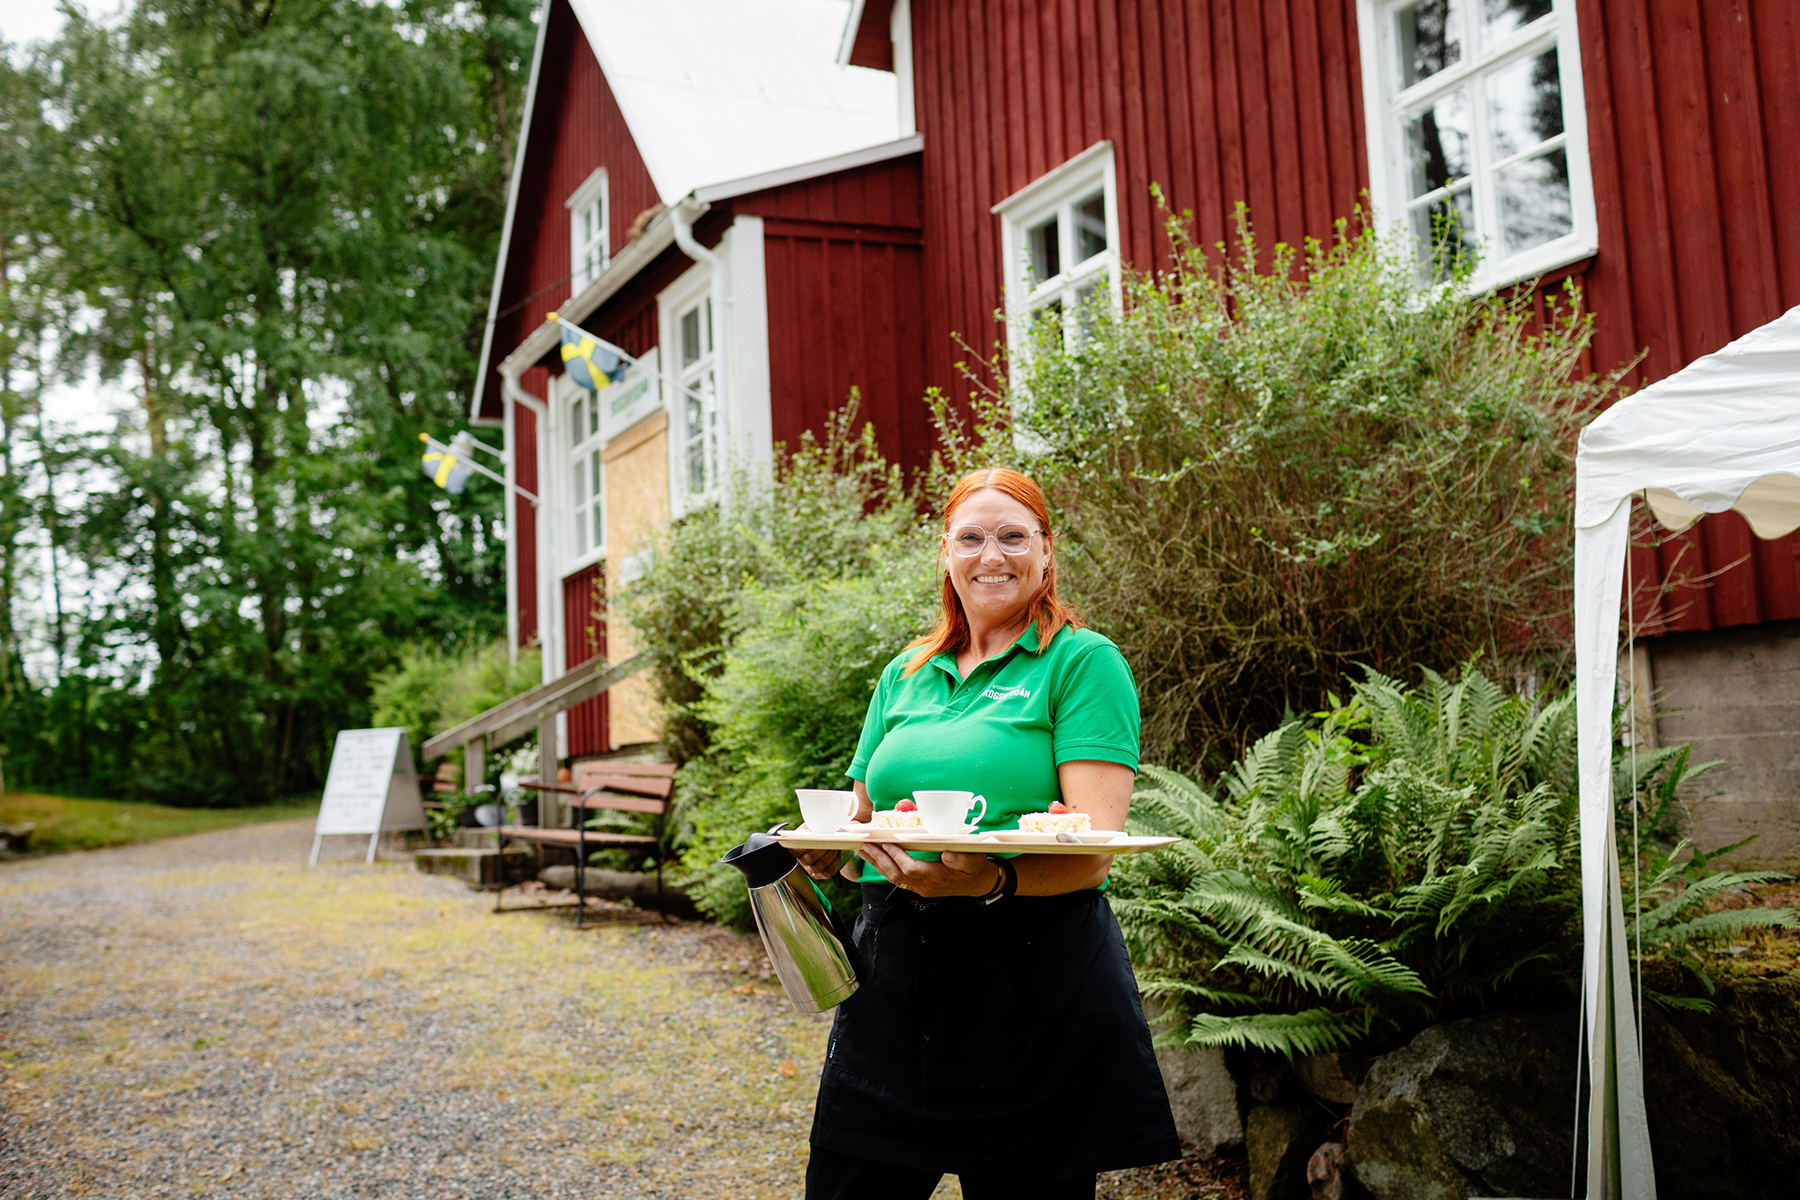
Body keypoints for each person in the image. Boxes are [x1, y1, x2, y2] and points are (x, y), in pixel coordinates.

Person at [795, 467, 1180, 1200]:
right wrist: (828, 857)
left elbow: (1095, 851)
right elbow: (864, 830)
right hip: (894, 983)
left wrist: (991, 879)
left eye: (1012, 536)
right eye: (970, 538)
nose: (991, 555)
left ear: (1046, 551)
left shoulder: (1082, 662)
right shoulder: (904, 674)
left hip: (1032, 982)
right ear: (946, 552)